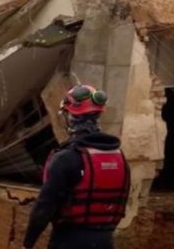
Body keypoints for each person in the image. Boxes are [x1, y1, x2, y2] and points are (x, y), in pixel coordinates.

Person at [24, 85, 130, 249]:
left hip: (67, 241)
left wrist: (28, 244)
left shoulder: (66, 159)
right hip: (105, 242)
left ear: (69, 117)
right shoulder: (120, 158)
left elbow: (44, 208)